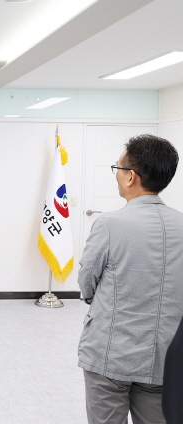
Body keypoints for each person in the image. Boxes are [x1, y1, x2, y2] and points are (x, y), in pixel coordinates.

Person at [77, 134, 183, 424]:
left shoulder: (109, 224)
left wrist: (97, 301)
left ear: (130, 177)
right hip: (164, 358)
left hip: (110, 354)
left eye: (118, 168)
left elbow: (87, 279)